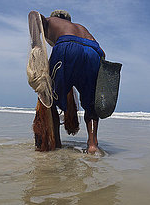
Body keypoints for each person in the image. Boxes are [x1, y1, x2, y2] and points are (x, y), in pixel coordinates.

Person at [29, 9, 105, 154]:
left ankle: (56, 143)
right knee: (91, 105)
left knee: (49, 98)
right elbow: (103, 53)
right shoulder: (81, 27)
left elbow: (34, 15)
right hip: (94, 53)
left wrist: (35, 46)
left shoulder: (51, 21)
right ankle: (92, 145)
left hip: (67, 47)